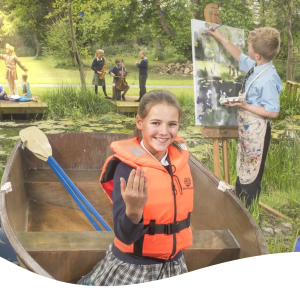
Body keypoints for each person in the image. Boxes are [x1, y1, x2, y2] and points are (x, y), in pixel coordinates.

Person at [77, 90, 193, 286]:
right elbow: (125, 235)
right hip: (135, 266)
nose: (164, 132)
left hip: (174, 263)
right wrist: (134, 210)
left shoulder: (179, 161)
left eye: (172, 124)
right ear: (140, 123)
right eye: (156, 123)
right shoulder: (128, 168)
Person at [208, 27, 282, 207]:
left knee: (252, 174)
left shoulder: (268, 78)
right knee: (244, 169)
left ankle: (249, 215)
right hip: (248, 130)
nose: (247, 50)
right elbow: (238, 55)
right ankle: (241, 207)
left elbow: (273, 112)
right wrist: (221, 37)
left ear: (257, 55)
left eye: (249, 47)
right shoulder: (256, 66)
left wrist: (245, 105)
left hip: (258, 131)